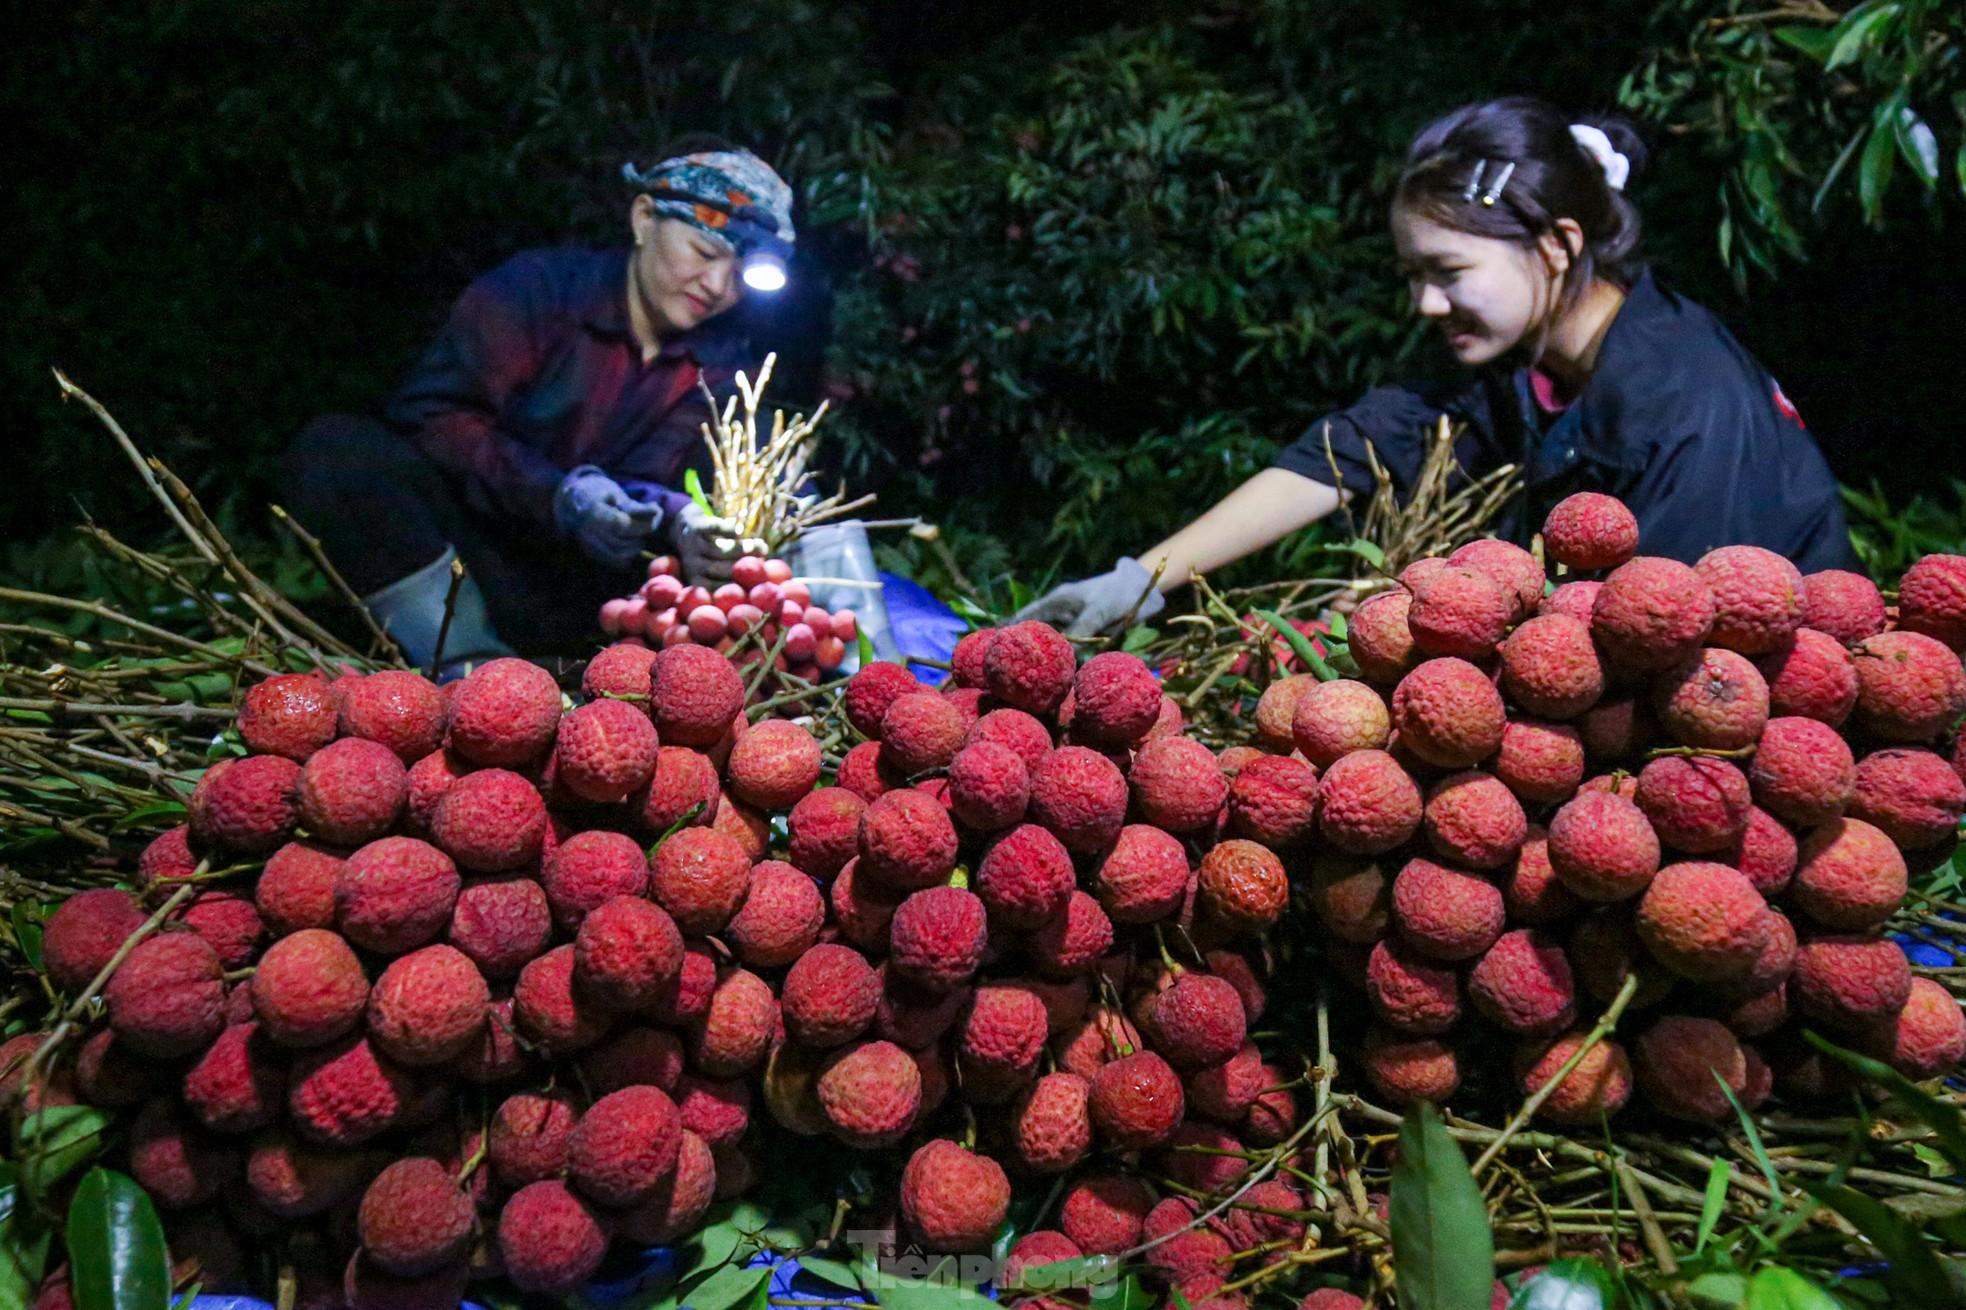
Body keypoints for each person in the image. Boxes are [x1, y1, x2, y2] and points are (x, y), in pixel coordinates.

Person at [1022, 97, 1855, 637]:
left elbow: (1657, 630)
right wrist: (1143, 579)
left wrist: (1423, 624)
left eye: (1448, 273)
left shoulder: (1684, 404)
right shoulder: (1520, 362)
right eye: (1413, 277)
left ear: (1558, 245)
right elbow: (1354, 448)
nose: (1425, 305)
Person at [281, 136, 797, 668]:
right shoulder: (541, 292)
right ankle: (461, 665)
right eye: (706, 253)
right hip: (466, 555)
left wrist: (679, 518)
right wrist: (557, 494)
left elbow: (656, 483)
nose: (716, 285)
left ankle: (584, 675)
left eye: (740, 275)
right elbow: (434, 419)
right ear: (644, 219)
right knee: (337, 452)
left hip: (575, 590)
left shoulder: (719, 366)